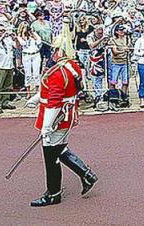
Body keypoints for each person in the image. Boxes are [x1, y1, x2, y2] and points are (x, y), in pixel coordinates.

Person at [28, 27, 98, 207]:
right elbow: (56, 91)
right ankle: (86, 175)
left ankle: (53, 193)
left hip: (57, 117)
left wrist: (46, 126)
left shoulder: (58, 70)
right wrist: (37, 98)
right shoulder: (72, 66)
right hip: (67, 114)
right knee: (60, 149)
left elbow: (54, 101)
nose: (52, 52)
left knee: (51, 156)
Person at [0, 23, 21, 114]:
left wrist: (16, 38)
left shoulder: (9, 39)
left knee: (8, 86)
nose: (2, 32)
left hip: (9, 65)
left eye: (3, 30)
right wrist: (1, 37)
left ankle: (5, 102)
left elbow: (18, 46)